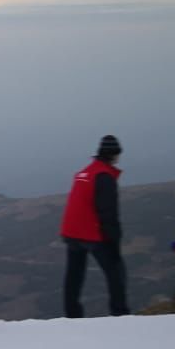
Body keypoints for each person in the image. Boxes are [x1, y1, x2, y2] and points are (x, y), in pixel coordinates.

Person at [60, 135, 129, 318]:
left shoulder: (85, 172)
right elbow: (108, 213)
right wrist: (114, 242)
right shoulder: (104, 176)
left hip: (71, 232)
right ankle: (120, 313)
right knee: (116, 272)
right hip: (91, 234)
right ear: (114, 155)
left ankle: (72, 315)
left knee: (74, 276)